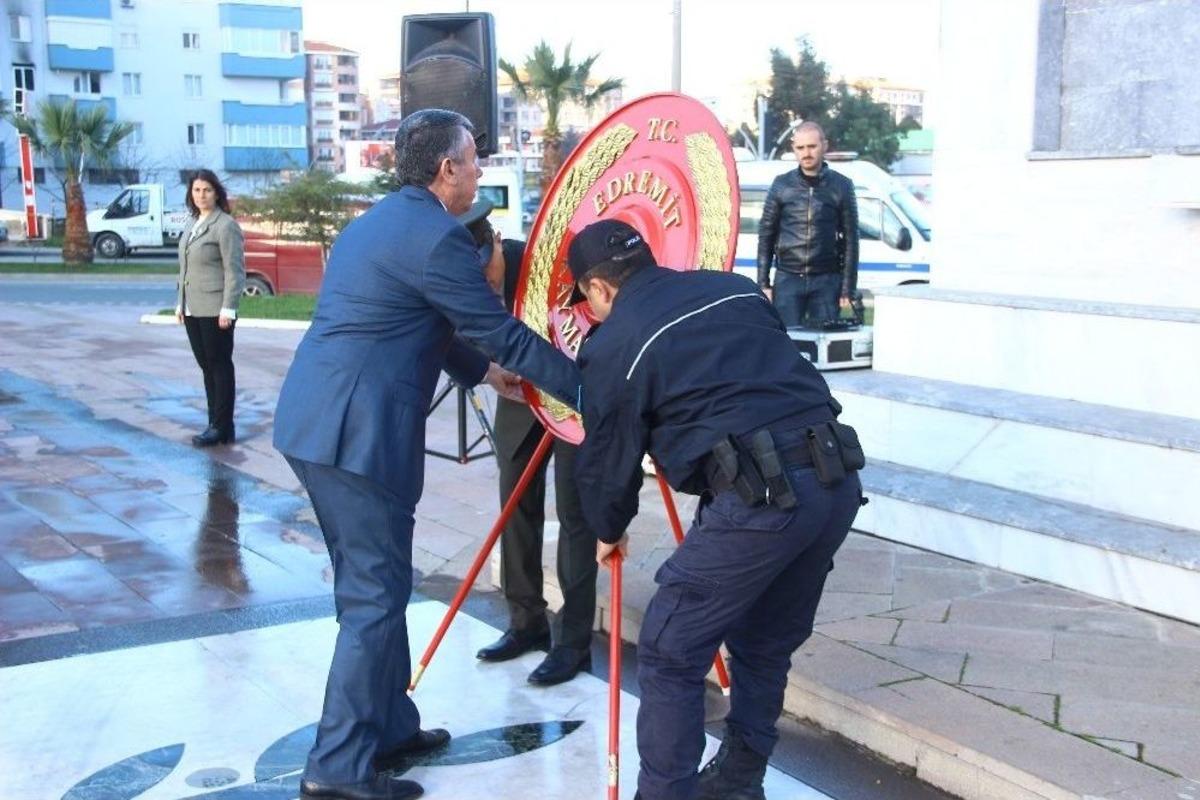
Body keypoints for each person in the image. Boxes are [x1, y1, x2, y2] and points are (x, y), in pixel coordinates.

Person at [273, 109, 581, 800]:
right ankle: (338, 768)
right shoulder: (440, 239)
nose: (479, 172)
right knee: (373, 598)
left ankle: (389, 728)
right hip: (357, 435)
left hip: (319, 422)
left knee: (373, 587)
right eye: (474, 160)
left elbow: (420, 321)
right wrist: (589, 388)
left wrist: (481, 372)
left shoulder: (381, 221)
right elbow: (502, 330)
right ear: (447, 170)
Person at [570, 220, 864, 800]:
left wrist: (607, 528)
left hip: (762, 500)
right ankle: (738, 782)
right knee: (764, 644)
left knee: (671, 648)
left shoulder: (616, 341)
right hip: (835, 479)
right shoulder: (729, 287)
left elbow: (611, 454)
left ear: (597, 290)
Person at [459, 208, 598, 687]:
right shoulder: (459, 274)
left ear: (498, 242)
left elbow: (595, 319)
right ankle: (526, 622)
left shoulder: (552, 264)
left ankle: (574, 644)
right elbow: (460, 325)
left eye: (488, 268)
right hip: (519, 393)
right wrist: (490, 368)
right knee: (514, 502)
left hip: (569, 396)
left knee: (576, 513)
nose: (486, 281)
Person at [756, 121, 859, 328]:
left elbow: (851, 241)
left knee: (824, 347)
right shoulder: (781, 185)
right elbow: (766, 235)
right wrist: (763, 283)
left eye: (812, 146)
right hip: (787, 280)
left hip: (827, 281)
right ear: (794, 149)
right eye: (800, 148)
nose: (806, 153)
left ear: (824, 146)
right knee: (786, 343)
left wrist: (848, 289)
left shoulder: (842, 186)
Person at [176, 169, 245, 447]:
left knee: (219, 366)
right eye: (196, 190)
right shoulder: (193, 222)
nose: (201, 195)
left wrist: (229, 307)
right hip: (193, 306)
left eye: (206, 190)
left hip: (216, 309)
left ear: (217, 193)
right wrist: (180, 303)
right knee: (206, 367)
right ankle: (217, 424)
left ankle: (220, 426)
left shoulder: (224, 225)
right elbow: (185, 266)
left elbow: (235, 270)